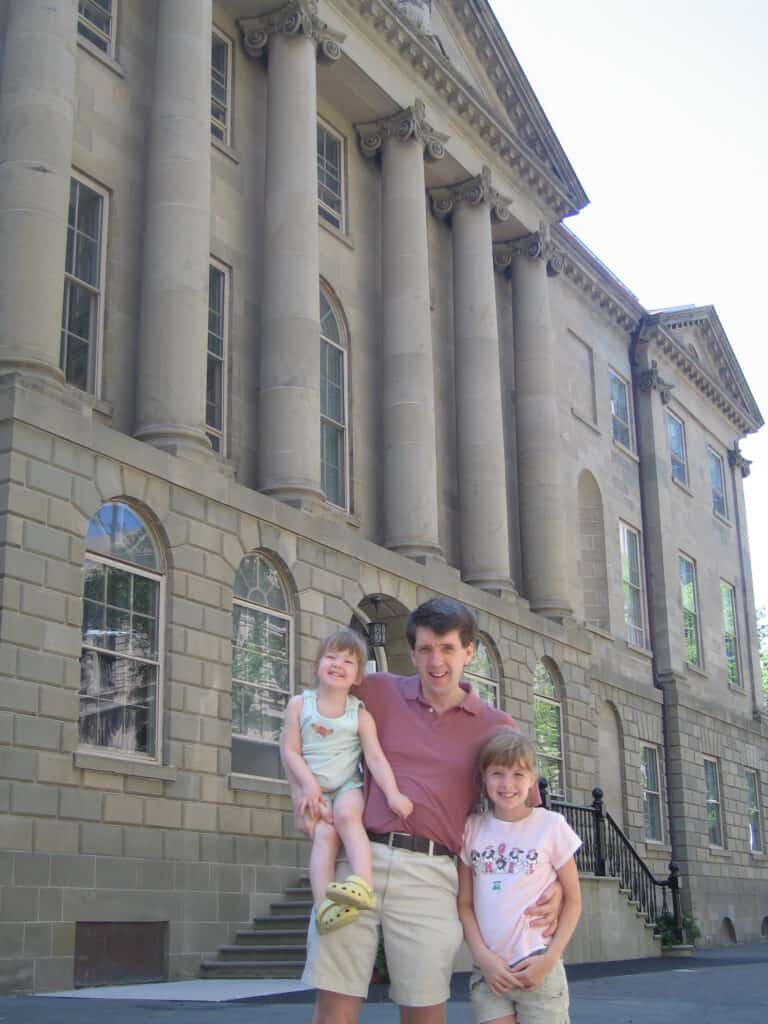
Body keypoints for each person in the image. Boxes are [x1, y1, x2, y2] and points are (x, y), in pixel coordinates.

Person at [281, 597, 561, 1024]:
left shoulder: (496, 726)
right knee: (333, 1009)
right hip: (359, 864)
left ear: (469, 651)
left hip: (432, 876)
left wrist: (553, 883)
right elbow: (310, 718)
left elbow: (524, 819)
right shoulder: (377, 691)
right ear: (412, 653)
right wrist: (305, 792)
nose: (436, 661)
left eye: (448, 648)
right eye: (426, 649)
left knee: (424, 1012)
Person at [282, 628, 414, 934]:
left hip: (346, 786)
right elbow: (289, 751)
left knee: (346, 816)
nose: (338, 664)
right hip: (312, 791)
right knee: (325, 837)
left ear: (357, 677)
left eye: (348, 661)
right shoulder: (300, 706)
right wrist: (308, 787)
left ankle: (362, 883)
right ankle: (323, 907)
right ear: (317, 664)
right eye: (331, 657)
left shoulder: (360, 715)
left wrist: (393, 794)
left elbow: (376, 759)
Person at [458, 730, 582, 1024]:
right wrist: (483, 958)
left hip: (538, 966)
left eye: (517, 774)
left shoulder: (551, 826)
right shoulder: (471, 829)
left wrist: (549, 960)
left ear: (531, 779)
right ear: (484, 777)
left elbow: (574, 900)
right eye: (498, 773)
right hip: (490, 974)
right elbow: (464, 904)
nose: (507, 784)